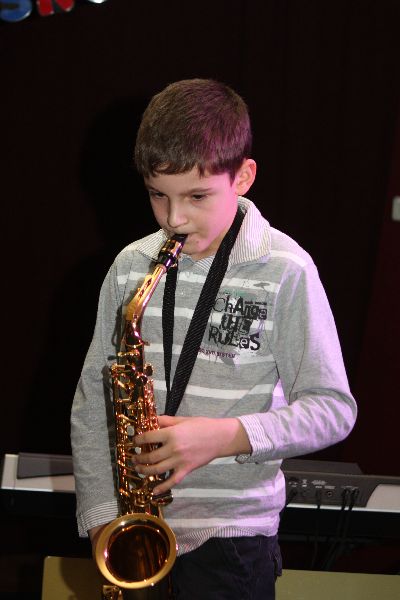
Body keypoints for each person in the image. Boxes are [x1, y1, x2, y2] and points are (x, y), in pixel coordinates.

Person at [71, 78, 357, 600]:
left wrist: (223, 437)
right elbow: (95, 401)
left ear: (243, 177)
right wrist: (102, 519)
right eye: (158, 195)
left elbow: (333, 409)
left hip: (234, 543)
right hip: (135, 529)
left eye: (197, 196)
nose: (174, 218)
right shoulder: (131, 265)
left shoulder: (285, 270)